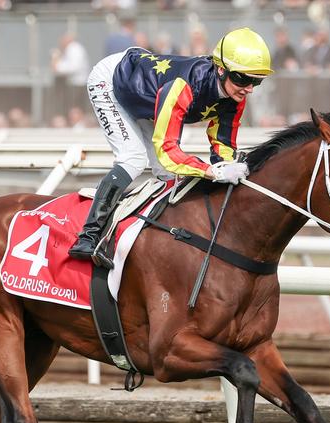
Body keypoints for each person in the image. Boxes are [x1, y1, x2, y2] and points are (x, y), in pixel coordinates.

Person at [68, 27, 273, 266]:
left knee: (166, 175)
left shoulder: (236, 96)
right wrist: (212, 172)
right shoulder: (183, 86)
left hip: (148, 92)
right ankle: (88, 237)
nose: (248, 88)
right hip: (112, 82)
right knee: (133, 159)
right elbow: (168, 152)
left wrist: (229, 168)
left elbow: (223, 144)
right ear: (220, 69)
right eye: (242, 78)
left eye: (256, 81)